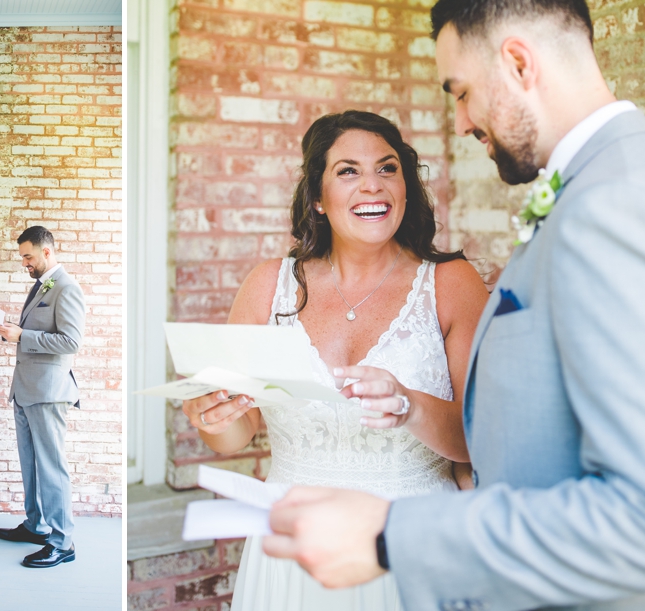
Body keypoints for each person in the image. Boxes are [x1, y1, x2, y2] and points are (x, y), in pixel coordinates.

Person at [262, 1, 645, 610]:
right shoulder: (611, 184)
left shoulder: (621, 204)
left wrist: (392, 538)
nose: (461, 122)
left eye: (461, 92)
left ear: (517, 63)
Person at [181, 110, 489, 610]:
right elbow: (235, 433)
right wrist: (210, 415)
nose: (373, 185)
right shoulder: (268, 287)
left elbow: (476, 441)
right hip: (292, 546)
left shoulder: (452, 285)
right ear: (319, 199)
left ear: (406, 186)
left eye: (388, 169)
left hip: (411, 543)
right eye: (348, 171)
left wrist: (410, 407)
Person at [0, 225, 85, 569]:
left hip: (48, 392)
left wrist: (23, 335)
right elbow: (35, 334)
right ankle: (36, 525)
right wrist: (9, 333)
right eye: (21, 257)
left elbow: (70, 342)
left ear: (46, 252)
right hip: (25, 389)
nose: (24, 263)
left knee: (52, 468)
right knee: (30, 463)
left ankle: (62, 542)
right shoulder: (43, 285)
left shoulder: (67, 288)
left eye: (28, 256)